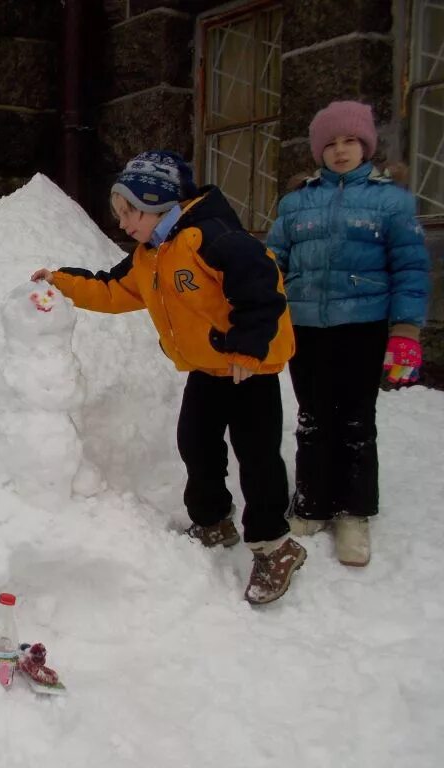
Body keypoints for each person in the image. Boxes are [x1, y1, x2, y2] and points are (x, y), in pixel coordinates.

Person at [31, 150, 305, 605]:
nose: (122, 223)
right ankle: (212, 520)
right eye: (119, 214)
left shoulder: (212, 237)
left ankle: (274, 546)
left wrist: (246, 347)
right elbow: (111, 289)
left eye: (129, 212)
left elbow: (262, 285)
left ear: (158, 202)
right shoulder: (150, 256)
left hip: (249, 370)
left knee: (257, 457)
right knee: (195, 443)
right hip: (206, 369)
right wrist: (60, 281)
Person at [266, 100, 430, 567]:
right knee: (313, 417)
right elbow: (273, 263)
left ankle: (354, 512)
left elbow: (411, 267)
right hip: (305, 327)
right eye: (331, 143)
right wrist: (261, 309)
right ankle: (313, 502)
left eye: (350, 141)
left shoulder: (391, 202)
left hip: (363, 325)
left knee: (355, 419)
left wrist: (405, 329)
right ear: (318, 150)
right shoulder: (296, 203)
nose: (340, 151)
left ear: (366, 146)